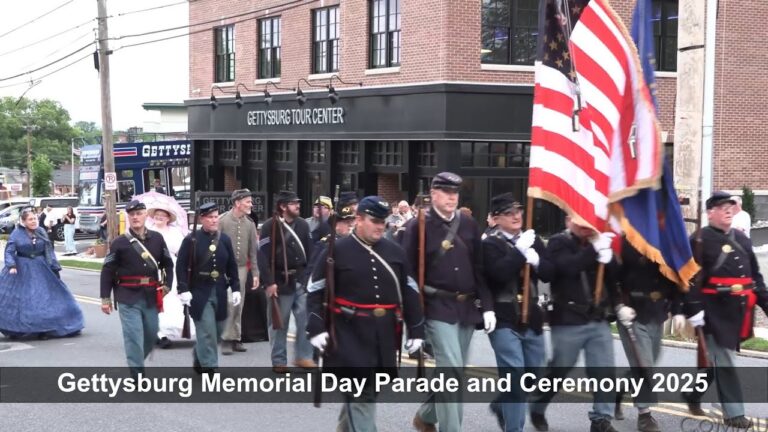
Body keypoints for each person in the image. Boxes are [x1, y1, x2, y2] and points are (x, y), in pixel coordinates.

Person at [307, 196, 425, 432]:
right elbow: (314, 290)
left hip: (384, 335)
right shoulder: (336, 249)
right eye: (374, 221)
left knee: (366, 393)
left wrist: (416, 329)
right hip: (348, 334)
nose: (381, 226)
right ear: (358, 219)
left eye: (383, 222)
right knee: (362, 395)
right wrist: (316, 327)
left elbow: (410, 290)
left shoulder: (395, 251)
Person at [402, 172, 494, 432]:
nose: (452, 198)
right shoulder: (417, 226)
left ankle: (427, 414)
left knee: (454, 372)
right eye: (447, 192)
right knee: (451, 371)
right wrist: (413, 322)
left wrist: (487, 306)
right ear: (434, 194)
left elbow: (480, 268)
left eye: (455, 193)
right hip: (435, 307)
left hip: (466, 308)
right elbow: (406, 274)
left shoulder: (468, 225)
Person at [682, 191, 768, 429]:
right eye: (722, 206)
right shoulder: (699, 239)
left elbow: (754, 277)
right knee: (726, 360)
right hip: (711, 312)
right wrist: (694, 308)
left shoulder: (741, 238)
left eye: (731, 205)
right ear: (711, 212)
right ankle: (734, 413)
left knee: (715, 362)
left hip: (738, 313)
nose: (728, 209)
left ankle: (693, 394)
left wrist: (766, 302)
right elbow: (687, 278)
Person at [529, 217, 619, 432]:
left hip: (597, 317)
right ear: (569, 220)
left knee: (604, 370)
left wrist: (610, 260)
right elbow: (567, 267)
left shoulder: (596, 241)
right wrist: (594, 250)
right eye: (580, 221)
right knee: (560, 370)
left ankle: (601, 419)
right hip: (568, 318)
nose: (585, 226)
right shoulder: (559, 242)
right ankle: (538, 405)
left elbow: (612, 279)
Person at [482, 193, 552, 432]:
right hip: (503, 317)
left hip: (531, 316)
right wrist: (519, 252)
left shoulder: (531, 239)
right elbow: (497, 274)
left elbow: (549, 274)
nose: (516, 216)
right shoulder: (489, 244)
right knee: (515, 379)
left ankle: (502, 406)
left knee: (534, 375)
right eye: (509, 213)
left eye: (518, 211)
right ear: (496, 218)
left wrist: (538, 262)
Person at [613, 238, 685, 432]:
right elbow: (611, 278)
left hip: (656, 313)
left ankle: (620, 390)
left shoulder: (665, 242)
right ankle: (644, 416)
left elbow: (675, 278)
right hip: (632, 313)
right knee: (644, 366)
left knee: (648, 363)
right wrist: (618, 305)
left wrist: (677, 310)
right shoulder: (625, 242)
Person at [99, 200, 174, 376]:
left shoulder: (157, 238)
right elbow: (107, 270)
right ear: (128, 217)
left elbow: (167, 264)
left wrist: (167, 285)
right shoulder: (119, 242)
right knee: (133, 336)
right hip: (127, 296)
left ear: (145, 215)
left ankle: (136, 360)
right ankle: (137, 373)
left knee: (151, 333)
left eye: (139, 213)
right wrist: (105, 298)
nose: (135, 217)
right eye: (132, 214)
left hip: (150, 295)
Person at [176, 202, 240, 374]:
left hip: (219, 289)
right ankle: (210, 366)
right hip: (199, 291)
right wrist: (183, 289)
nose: (214, 220)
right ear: (202, 219)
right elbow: (181, 266)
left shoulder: (224, 239)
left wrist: (235, 288)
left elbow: (232, 266)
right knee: (207, 331)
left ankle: (199, 354)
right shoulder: (191, 240)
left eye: (216, 217)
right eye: (210, 217)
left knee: (218, 330)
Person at [0, 208, 84, 339]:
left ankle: (45, 328)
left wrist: (54, 266)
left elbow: (48, 250)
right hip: (22, 268)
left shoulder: (41, 231)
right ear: (23, 221)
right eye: (30, 219)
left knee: (44, 298)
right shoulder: (16, 234)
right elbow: (9, 251)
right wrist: (11, 265)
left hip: (41, 267)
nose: (34, 221)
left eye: (35, 218)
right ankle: (16, 328)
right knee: (23, 299)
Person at [260, 191, 315, 373]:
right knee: (279, 323)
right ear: (283, 206)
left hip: (300, 279)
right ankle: (279, 360)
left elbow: (310, 254)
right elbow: (263, 256)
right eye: (293, 203)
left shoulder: (303, 226)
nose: (297, 206)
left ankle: (304, 356)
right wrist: (269, 282)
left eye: (297, 203)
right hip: (280, 281)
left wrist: (308, 279)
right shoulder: (270, 226)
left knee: (306, 321)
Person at [218, 188, 261, 355]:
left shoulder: (250, 224)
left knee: (239, 304)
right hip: (225, 269)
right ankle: (227, 339)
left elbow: (253, 252)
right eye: (248, 202)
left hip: (242, 268)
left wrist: (255, 273)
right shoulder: (222, 221)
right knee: (229, 302)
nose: (251, 204)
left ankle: (236, 338)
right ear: (237, 203)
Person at [149, 204, 190, 349]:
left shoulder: (175, 233)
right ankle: (159, 333)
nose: (159, 217)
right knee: (156, 300)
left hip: (172, 268)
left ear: (168, 219)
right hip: (153, 268)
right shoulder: (149, 232)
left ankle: (171, 330)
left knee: (172, 299)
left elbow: (182, 251)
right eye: (156, 215)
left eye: (162, 215)